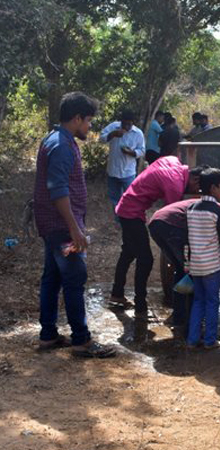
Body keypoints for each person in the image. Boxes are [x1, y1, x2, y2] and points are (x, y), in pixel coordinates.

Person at [33, 91, 116, 358]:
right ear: (77, 118)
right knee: (74, 279)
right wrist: (74, 228)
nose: (90, 127)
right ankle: (81, 340)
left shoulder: (56, 140)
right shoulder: (61, 146)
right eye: (88, 121)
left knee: (52, 278)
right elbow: (58, 191)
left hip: (54, 224)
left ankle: (48, 335)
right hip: (61, 226)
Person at [110, 154, 205, 318]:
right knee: (146, 259)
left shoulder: (173, 161)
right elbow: (171, 217)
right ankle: (140, 307)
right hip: (131, 212)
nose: (196, 192)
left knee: (128, 252)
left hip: (126, 205)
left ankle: (117, 294)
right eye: (198, 188)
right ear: (195, 180)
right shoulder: (174, 185)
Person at [186, 168, 220, 349]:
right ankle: (210, 340)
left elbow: (187, 239)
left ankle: (192, 339)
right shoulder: (218, 211)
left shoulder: (191, 208)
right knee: (212, 302)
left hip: (196, 265)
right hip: (212, 266)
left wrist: (186, 263)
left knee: (198, 301)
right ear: (213, 188)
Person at [148, 198, 198, 331]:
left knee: (181, 269)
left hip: (156, 223)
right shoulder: (218, 208)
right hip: (171, 226)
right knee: (190, 271)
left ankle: (179, 316)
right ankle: (189, 320)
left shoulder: (200, 202)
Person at [100, 110, 146, 208]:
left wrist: (132, 152)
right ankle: (118, 221)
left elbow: (142, 150)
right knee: (115, 200)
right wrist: (112, 134)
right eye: (124, 124)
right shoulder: (113, 127)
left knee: (131, 198)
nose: (126, 127)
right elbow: (101, 138)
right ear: (121, 121)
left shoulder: (138, 133)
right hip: (113, 171)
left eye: (129, 124)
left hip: (128, 172)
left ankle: (129, 220)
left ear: (133, 123)